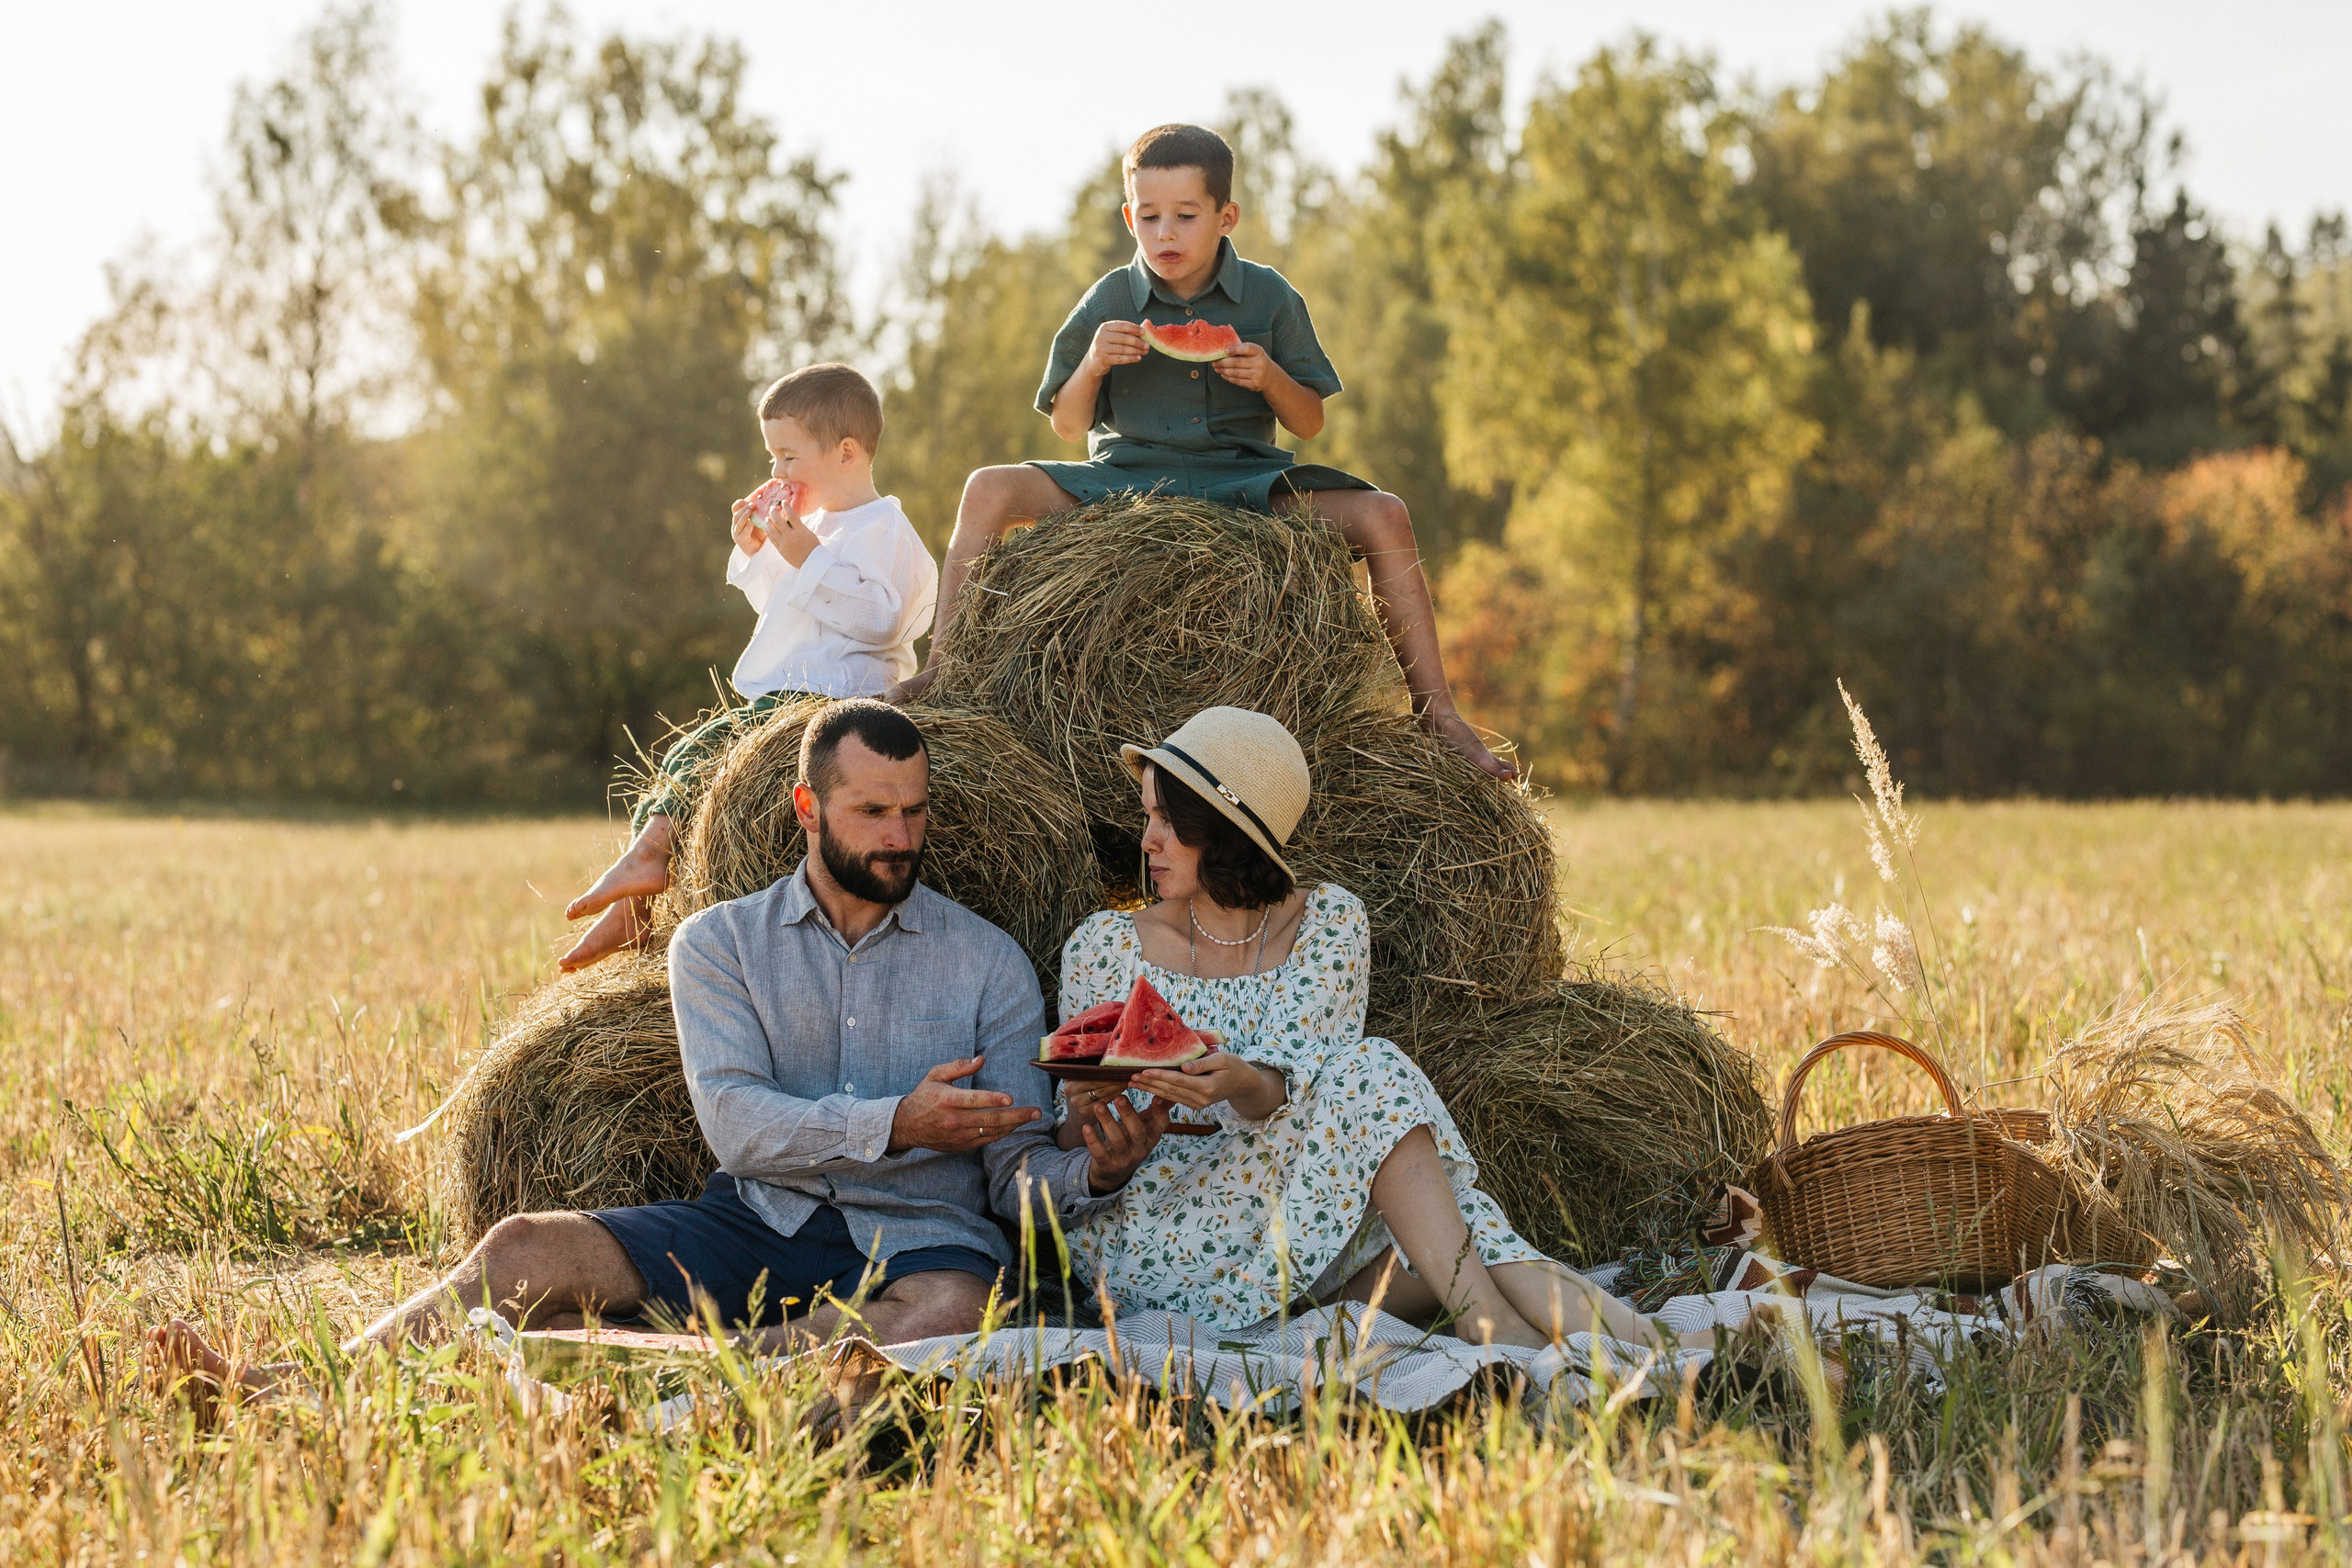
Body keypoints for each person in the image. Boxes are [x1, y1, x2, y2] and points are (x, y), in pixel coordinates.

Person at [151, 700, 1161, 1419]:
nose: (901, 837)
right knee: (518, 1250)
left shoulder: (987, 961)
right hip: (757, 1216)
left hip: (924, 1243)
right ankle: (282, 1383)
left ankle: (635, 1373)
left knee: (952, 1307)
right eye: (871, 813)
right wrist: (897, 1121)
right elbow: (739, 1126)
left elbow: (1018, 1180)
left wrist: (1093, 1170)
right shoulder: (717, 943)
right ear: (809, 813)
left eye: (914, 811)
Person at [887, 124, 1514, 782]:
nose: (1166, 234)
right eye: (1149, 217)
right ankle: (942, 672)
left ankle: (1436, 710)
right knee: (988, 486)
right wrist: (1093, 365)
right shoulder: (1109, 299)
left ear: (1226, 216)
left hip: (1247, 479)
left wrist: (1270, 377)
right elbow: (1068, 427)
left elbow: (1311, 420)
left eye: (1185, 216)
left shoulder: (1270, 296)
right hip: (1125, 479)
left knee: (1385, 514)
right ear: (1129, 217)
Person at [1051, 706, 1663, 1349]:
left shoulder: (1330, 924)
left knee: (1383, 1090)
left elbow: (1313, 1087)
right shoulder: (1106, 946)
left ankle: (1612, 1343)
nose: (1146, 839)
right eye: (1147, 816)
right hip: (1157, 1236)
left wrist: (1239, 1080)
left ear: (1227, 827)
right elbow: (1063, 1138)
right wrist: (1088, 1114)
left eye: (1169, 822)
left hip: (1303, 1212)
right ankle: (1606, 1341)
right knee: (1456, 1221)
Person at [561, 364, 941, 972]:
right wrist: (758, 552)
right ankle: (641, 884)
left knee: (707, 746)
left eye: (788, 456)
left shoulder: (884, 529)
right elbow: (787, 608)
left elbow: (881, 620)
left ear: (846, 452)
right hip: (783, 697)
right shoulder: (811, 527)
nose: (777, 473)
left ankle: (647, 864)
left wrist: (809, 557)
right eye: (772, 458)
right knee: (688, 753)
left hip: (834, 701)